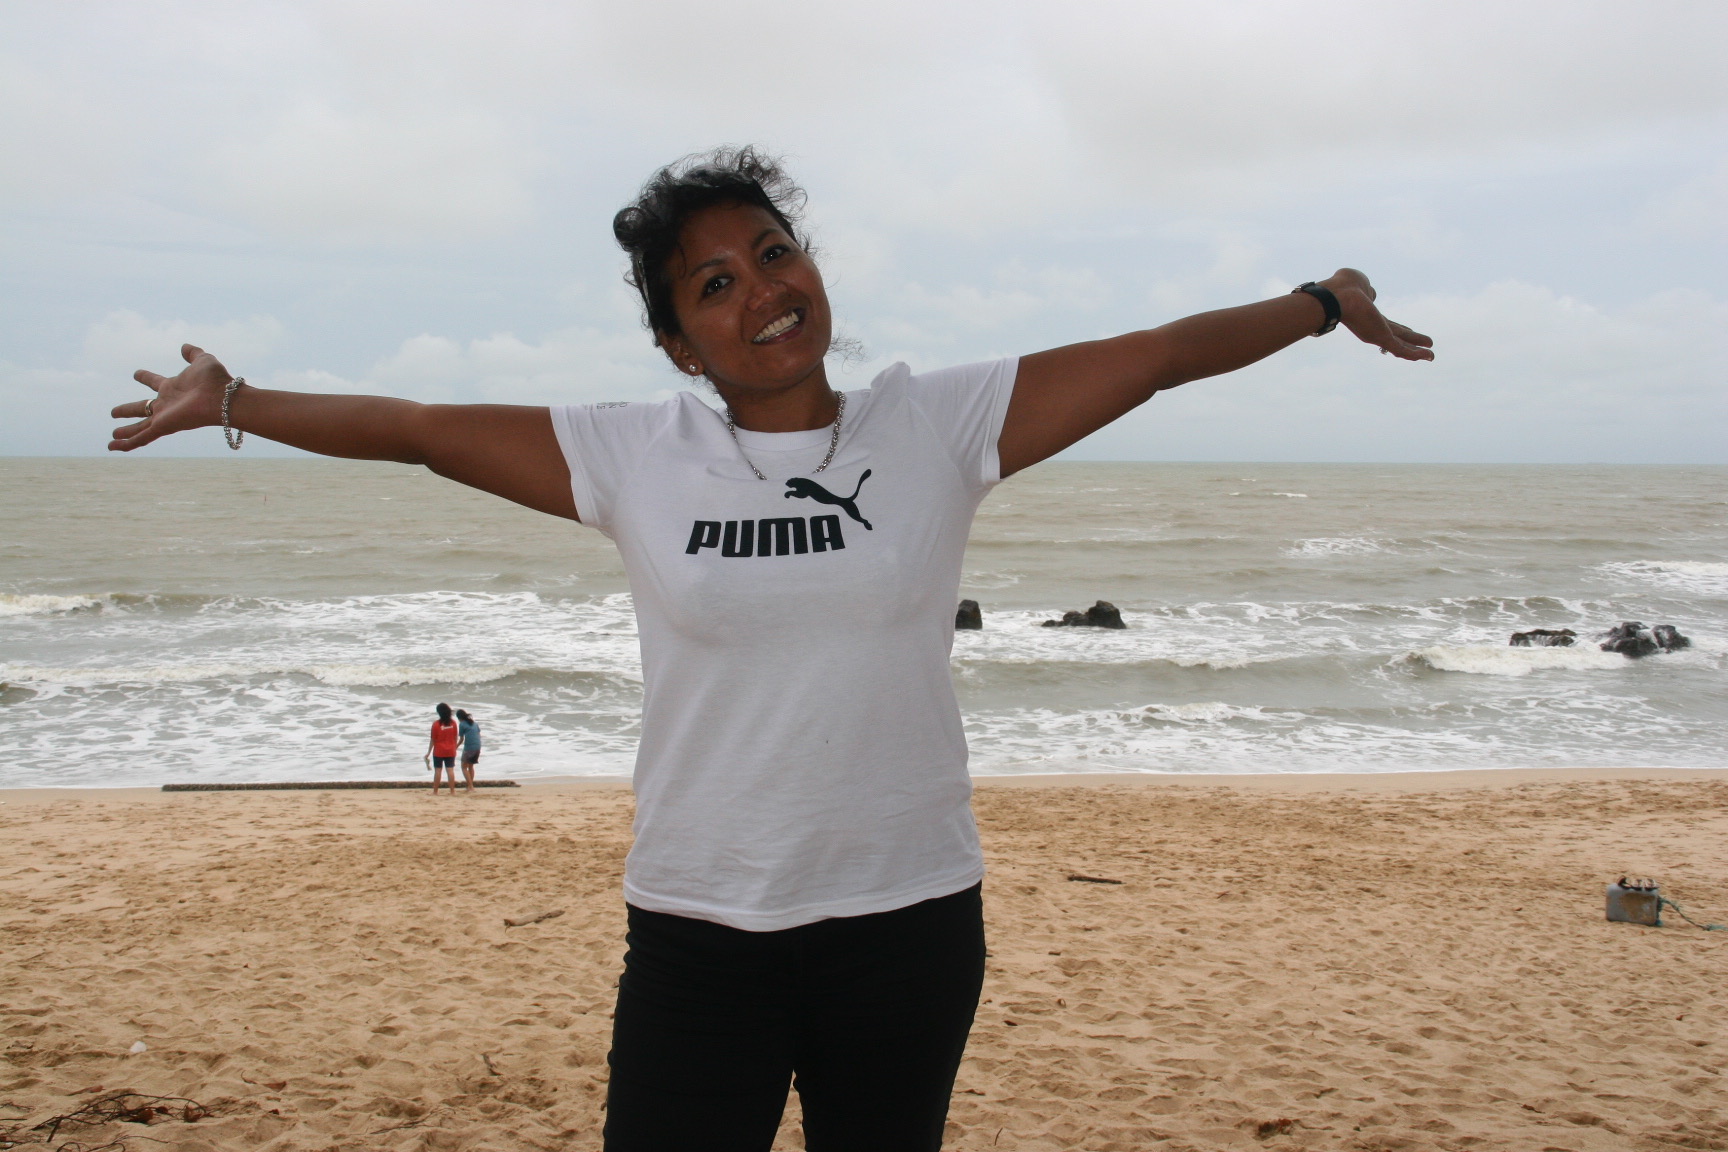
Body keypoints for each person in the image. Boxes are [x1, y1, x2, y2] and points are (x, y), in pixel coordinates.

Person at [108, 147, 1432, 1152]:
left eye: (775, 252)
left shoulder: (936, 423)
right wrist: (236, 400)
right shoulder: (634, 454)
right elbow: (414, 428)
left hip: (908, 920)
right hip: (701, 924)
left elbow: (1155, 357)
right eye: (717, 284)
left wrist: (1324, 303)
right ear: (680, 343)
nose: (766, 291)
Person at [424, 702, 460, 795]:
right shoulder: (453, 723)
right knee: (450, 770)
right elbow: (455, 737)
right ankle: (452, 791)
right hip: (450, 750)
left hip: (439, 751)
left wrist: (428, 752)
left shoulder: (436, 724)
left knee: (438, 770)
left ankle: (435, 791)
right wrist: (454, 747)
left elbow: (433, 740)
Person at [455, 708, 481, 793]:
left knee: (463, 767)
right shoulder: (474, 723)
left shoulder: (462, 724)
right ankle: (469, 786)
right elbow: (478, 734)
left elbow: (461, 739)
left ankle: (471, 787)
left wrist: (456, 746)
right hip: (478, 746)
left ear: (459, 718)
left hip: (469, 747)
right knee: (471, 766)